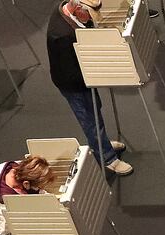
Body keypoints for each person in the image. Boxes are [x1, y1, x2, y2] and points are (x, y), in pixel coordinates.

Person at [46, 0, 134, 176]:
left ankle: (101, 144)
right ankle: (108, 158)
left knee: (95, 111)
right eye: (89, 14)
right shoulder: (62, 34)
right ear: (77, 8)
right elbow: (72, 70)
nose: (91, 19)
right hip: (73, 83)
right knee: (90, 120)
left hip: (82, 76)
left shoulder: (70, 13)